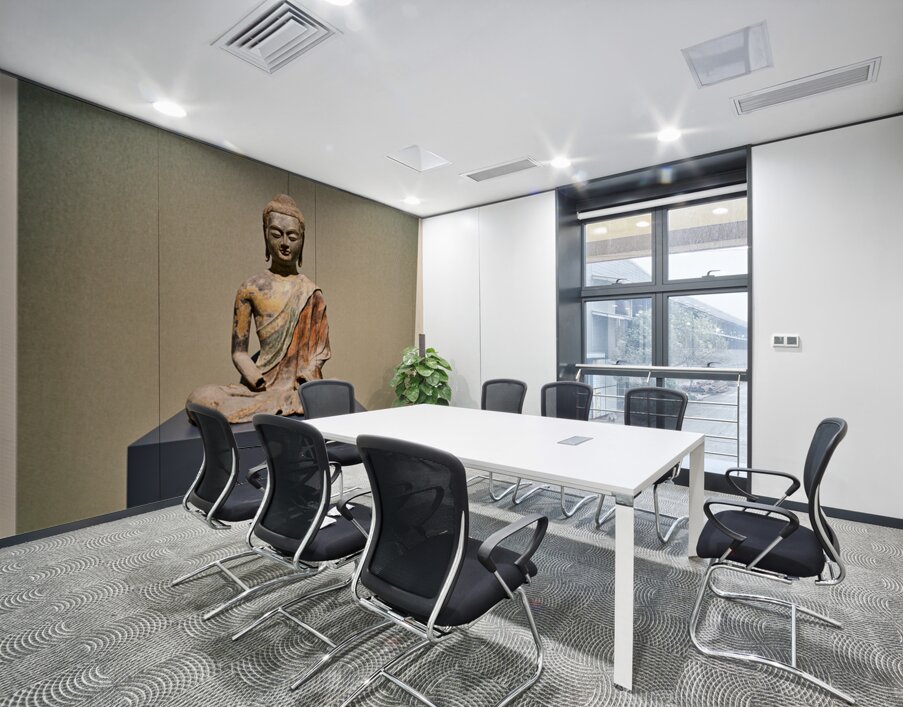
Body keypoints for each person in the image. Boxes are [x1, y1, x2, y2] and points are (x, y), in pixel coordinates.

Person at [186, 194, 331, 423]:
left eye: (292, 237)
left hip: (297, 388)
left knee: (316, 398)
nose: (284, 243)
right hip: (259, 386)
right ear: (266, 237)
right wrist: (255, 379)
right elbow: (239, 352)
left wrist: (303, 380)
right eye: (276, 234)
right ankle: (274, 405)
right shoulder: (250, 288)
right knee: (200, 399)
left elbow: (319, 355)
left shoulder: (311, 293)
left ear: (302, 242)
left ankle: (283, 403)